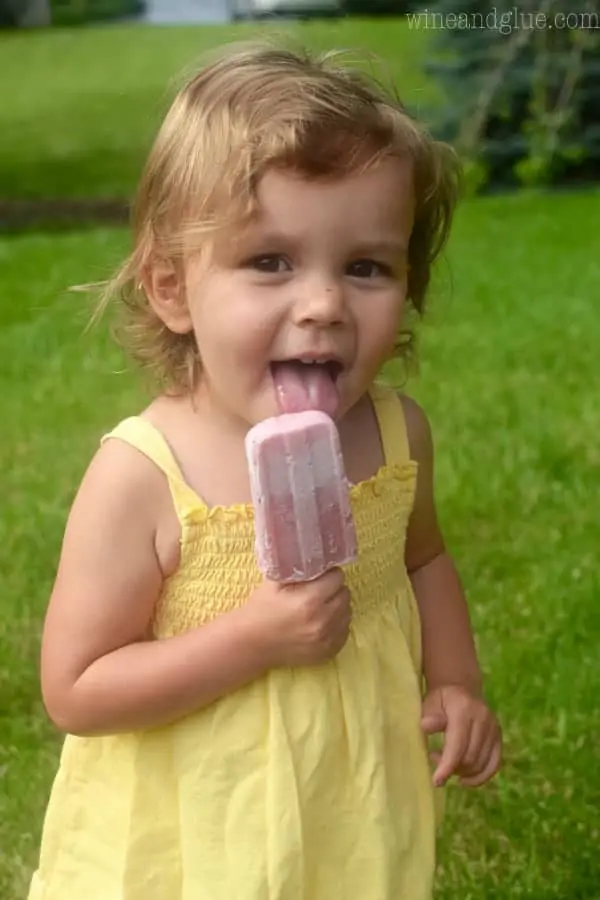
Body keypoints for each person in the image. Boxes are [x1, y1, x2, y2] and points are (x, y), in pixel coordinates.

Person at [28, 40, 502, 900]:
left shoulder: (398, 435)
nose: (321, 304)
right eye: (270, 262)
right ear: (172, 288)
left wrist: (458, 681)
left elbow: (424, 559)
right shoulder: (142, 475)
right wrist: (253, 637)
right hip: (195, 825)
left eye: (366, 267)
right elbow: (77, 689)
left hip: (349, 800)